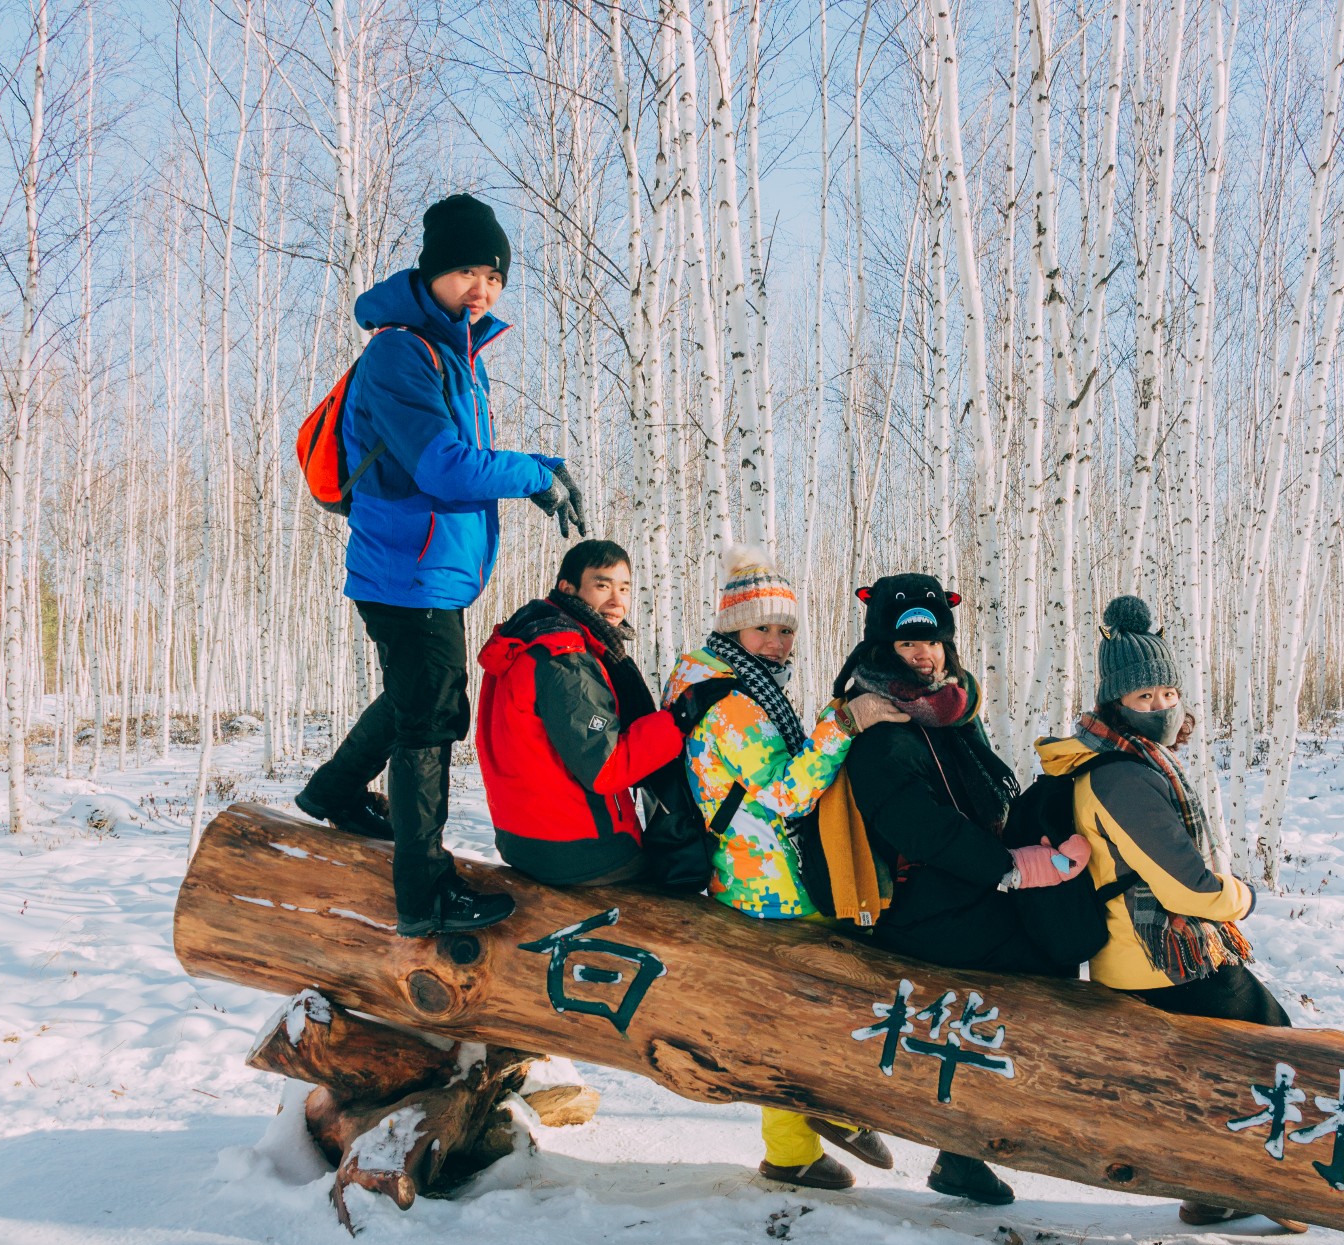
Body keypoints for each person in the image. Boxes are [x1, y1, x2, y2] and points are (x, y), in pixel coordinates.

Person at [295, 194, 588, 938]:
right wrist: (530, 475)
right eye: (466, 270)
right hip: (406, 572)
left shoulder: (455, 356)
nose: (482, 288)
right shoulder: (401, 352)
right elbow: (443, 465)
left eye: (493, 275)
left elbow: (462, 458)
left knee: (417, 694)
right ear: (431, 273)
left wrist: (543, 468)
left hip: (427, 572)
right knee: (431, 719)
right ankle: (423, 895)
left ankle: (334, 792)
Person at [814, 572, 1096, 1206]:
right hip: (913, 905)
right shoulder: (878, 726)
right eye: (910, 643)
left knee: (1061, 937)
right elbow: (920, 824)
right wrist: (1010, 869)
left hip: (961, 886)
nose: (925, 654)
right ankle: (968, 1143)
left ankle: (966, 1148)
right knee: (1041, 963)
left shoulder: (949, 708)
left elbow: (987, 792)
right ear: (882, 647)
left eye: (935, 640)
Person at [1034, 593, 1301, 1232]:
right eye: (1143, 697)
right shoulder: (1122, 776)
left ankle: (1212, 1192)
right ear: (1114, 702)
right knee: (1280, 1062)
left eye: (1165, 693)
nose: (1158, 707)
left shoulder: (1126, 762)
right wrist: (1242, 896)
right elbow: (1185, 887)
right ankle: (1290, 1188)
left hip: (1140, 954)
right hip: (1162, 958)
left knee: (1204, 1082)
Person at [663, 549, 906, 1193]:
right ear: (732, 627)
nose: (776, 641)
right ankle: (830, 1109)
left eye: (787, 628)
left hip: (755, 867)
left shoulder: (733, 680)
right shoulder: (730, 703)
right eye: (763, 627)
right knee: (819, 1002)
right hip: (765, 878)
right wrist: (845, 723)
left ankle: (792, 1150)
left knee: (784, 1012)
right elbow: (785, 792)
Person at [474, 540, 717, 886]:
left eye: (624, 588)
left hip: (523, 838)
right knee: (688, 878)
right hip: (579, 850)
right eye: (602, 586)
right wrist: (677, 721)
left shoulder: (528, 638)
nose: (617, 601)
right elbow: (606, 768)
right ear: (568, 589)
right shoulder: (565, 658)